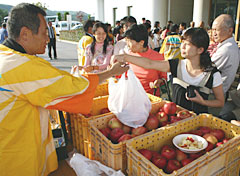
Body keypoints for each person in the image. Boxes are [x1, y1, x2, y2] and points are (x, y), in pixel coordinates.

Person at [0, 3, 128, 176]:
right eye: (45, 32)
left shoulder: (5, 56)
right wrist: (112, 72)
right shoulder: (23, 66)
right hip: (17, 161)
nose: (48, 38)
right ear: (25, 34)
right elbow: (74, 88)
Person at [113, 28, 225, 114]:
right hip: (175, 117)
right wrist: (125, 57)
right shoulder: (176, 65)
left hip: (199, 122)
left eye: (187, 44)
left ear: (200, 50)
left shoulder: (212, 75)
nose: (182, 47)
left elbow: (220, 102)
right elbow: (149, 63)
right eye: (182, 43)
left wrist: (203, 102)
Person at [123, 24, 167, 95]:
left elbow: (164, 78)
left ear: (141, 42)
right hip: (131, 96)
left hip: (151, 98)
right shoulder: (129, 55)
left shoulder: (157, 57)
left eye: (129, 41)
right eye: (126, 41)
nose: (127, 44)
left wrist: (159, 82)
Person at [210, 14, 240, 116]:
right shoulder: (225, 45)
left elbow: (205, 69)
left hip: (213, 95)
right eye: (212, 29)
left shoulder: (226, 49)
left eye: (216, 30)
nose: (213, 33)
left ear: (230, 31)